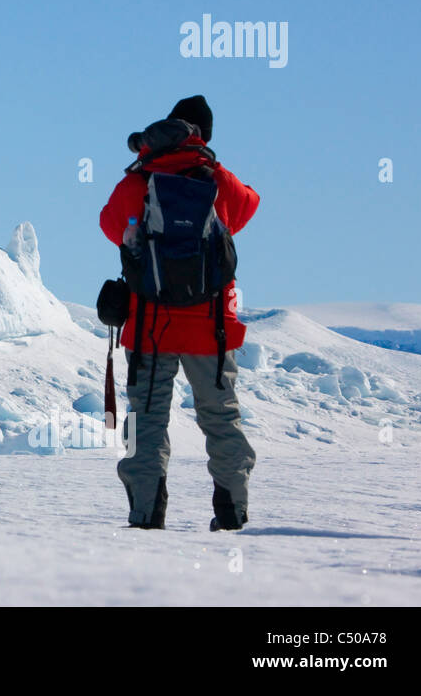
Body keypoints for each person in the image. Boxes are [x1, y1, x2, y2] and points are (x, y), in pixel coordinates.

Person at [99, 96, 260, 531]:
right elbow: (248, 207)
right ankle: (232, 514)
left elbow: (111, 224)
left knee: (146, 422)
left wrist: (147, 162)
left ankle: (145, 513)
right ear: (203, 134)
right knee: (221, 418)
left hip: (151, 325)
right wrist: (210, 162)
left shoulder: (142, 178)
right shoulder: (216, 180)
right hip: (212, 329)